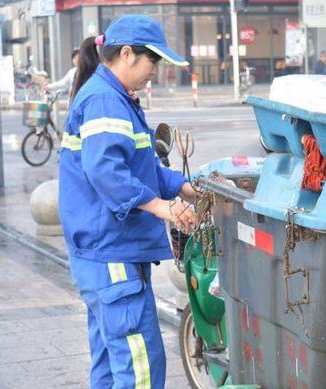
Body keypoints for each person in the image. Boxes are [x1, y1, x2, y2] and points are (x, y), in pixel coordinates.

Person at [58, 15, 197, 388]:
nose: (156, 71)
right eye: (153, 61)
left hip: (102, 253)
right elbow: (106, 171)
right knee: (140, 368)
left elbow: (140, 167)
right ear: (126, 54)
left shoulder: (114, 96)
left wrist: (182, 186)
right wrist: (160, 206)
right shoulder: (106, 99)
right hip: (111, 255)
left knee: (109, 362)